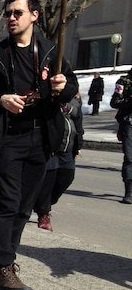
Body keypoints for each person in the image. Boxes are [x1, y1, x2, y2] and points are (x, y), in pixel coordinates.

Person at [0, 0, 77, 290]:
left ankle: (6, 260)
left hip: (41, 137)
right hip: (8, 139)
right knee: (6, 202)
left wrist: (62, 87)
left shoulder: (50, 51)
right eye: (8, 13)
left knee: (24, 206)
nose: (11, 18)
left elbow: (71, 88)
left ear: (34, 15)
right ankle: (3, 266)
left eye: (17, 13)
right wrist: (0, 99)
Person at [34, 92, 84, 229]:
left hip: (68, 149)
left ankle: (42, 203)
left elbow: (78, 124)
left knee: (67, 178)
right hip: (50, 147)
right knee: (48, 182)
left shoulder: (74, 102)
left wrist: (78, 145)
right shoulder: (47, 98)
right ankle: (43, 214)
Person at [111, 68, 132, 204]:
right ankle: (129, 192)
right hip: (129, 123)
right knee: (130, 158)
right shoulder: (124, 81)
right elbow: (114, 102)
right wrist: (129, 102)